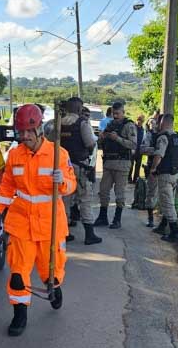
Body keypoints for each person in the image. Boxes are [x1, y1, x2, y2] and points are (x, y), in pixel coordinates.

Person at [0, 104, 77, 337]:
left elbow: (71, 185)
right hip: (21, 222)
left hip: (50, 223)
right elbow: (7, 185)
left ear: (40, 128)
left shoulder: (58, 154)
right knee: (18, 274)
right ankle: (20, 315)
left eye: (29, 131)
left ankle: (55, 288)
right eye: (21, 132)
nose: (25, 136)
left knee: (50, 270)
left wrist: (62, 181)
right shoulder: (15, 154)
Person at [44, 97, 101, 245]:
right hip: (79, 167)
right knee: (85, 199)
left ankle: (64, 233)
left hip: (62, 168)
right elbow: (90, 143)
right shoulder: (82, 123)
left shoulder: (58, 123)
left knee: (64, 200)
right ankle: (89, 234)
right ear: (79, 109)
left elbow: (49, 143)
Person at [94, 101, 138, 229]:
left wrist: (117, 138)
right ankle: (103, 217)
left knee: (119, 192)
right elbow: (102, 142)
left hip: (122, 163)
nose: (115, 116)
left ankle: (117, 219)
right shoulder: (110, 124)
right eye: (114, 113)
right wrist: (102, 137)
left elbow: (134, 145)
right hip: (109, 162)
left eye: (118, 113)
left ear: (123, 112)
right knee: (103, 191)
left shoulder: (129, 125)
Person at [149, 113, 178, 242]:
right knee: (169, 201)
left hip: (165, 175)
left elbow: (159, 154)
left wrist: (153, 168)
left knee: (167, 203)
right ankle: (162, 226)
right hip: (175, 174)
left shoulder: (163, 138)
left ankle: (175, 233)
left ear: (163, 123)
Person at [129, 114, 146, 183]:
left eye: (141, 121)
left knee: (138, 166)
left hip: (139, 150)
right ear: (136, 120)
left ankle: (136, 179)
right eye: (138, 120)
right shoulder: (132, 127)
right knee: (131, 165)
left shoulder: (143, 130)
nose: (139, 122)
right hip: (132, 149)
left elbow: (144, 140)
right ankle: (129, 178)